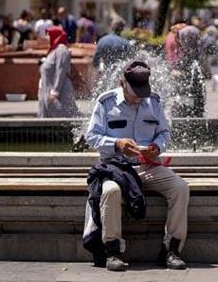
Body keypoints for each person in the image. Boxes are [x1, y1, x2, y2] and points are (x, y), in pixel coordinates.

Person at [84, 60, 189, 271]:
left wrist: (156, 147)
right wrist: (117, 143)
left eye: (142, 93)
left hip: (147, 166)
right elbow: (91, 136)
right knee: (111, 191)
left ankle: (171, 249)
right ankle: (112, 251)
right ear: (121, 83)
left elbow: (164, 134)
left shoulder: (153, 101)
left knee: (180, 188)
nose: (138, 98)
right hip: (116, 168)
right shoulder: (106, 102)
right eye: (134, 93)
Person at [38, 26, 77, 118]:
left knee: (64, 121)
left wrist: (55, 92)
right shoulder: (53, 51)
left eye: (49, 35)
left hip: (59, 94)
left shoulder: (61, 50)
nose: (46, 37)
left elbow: (61, 70)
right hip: (48, 91)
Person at [172, 25, 209, 117]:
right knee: (198, 113)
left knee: (186, 115)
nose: (180, 40)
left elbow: (188, 72)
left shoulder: (189, 53)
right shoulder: (198, 50)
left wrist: (177, 73)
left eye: (181, 37)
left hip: (188, 91)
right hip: (197, 90)